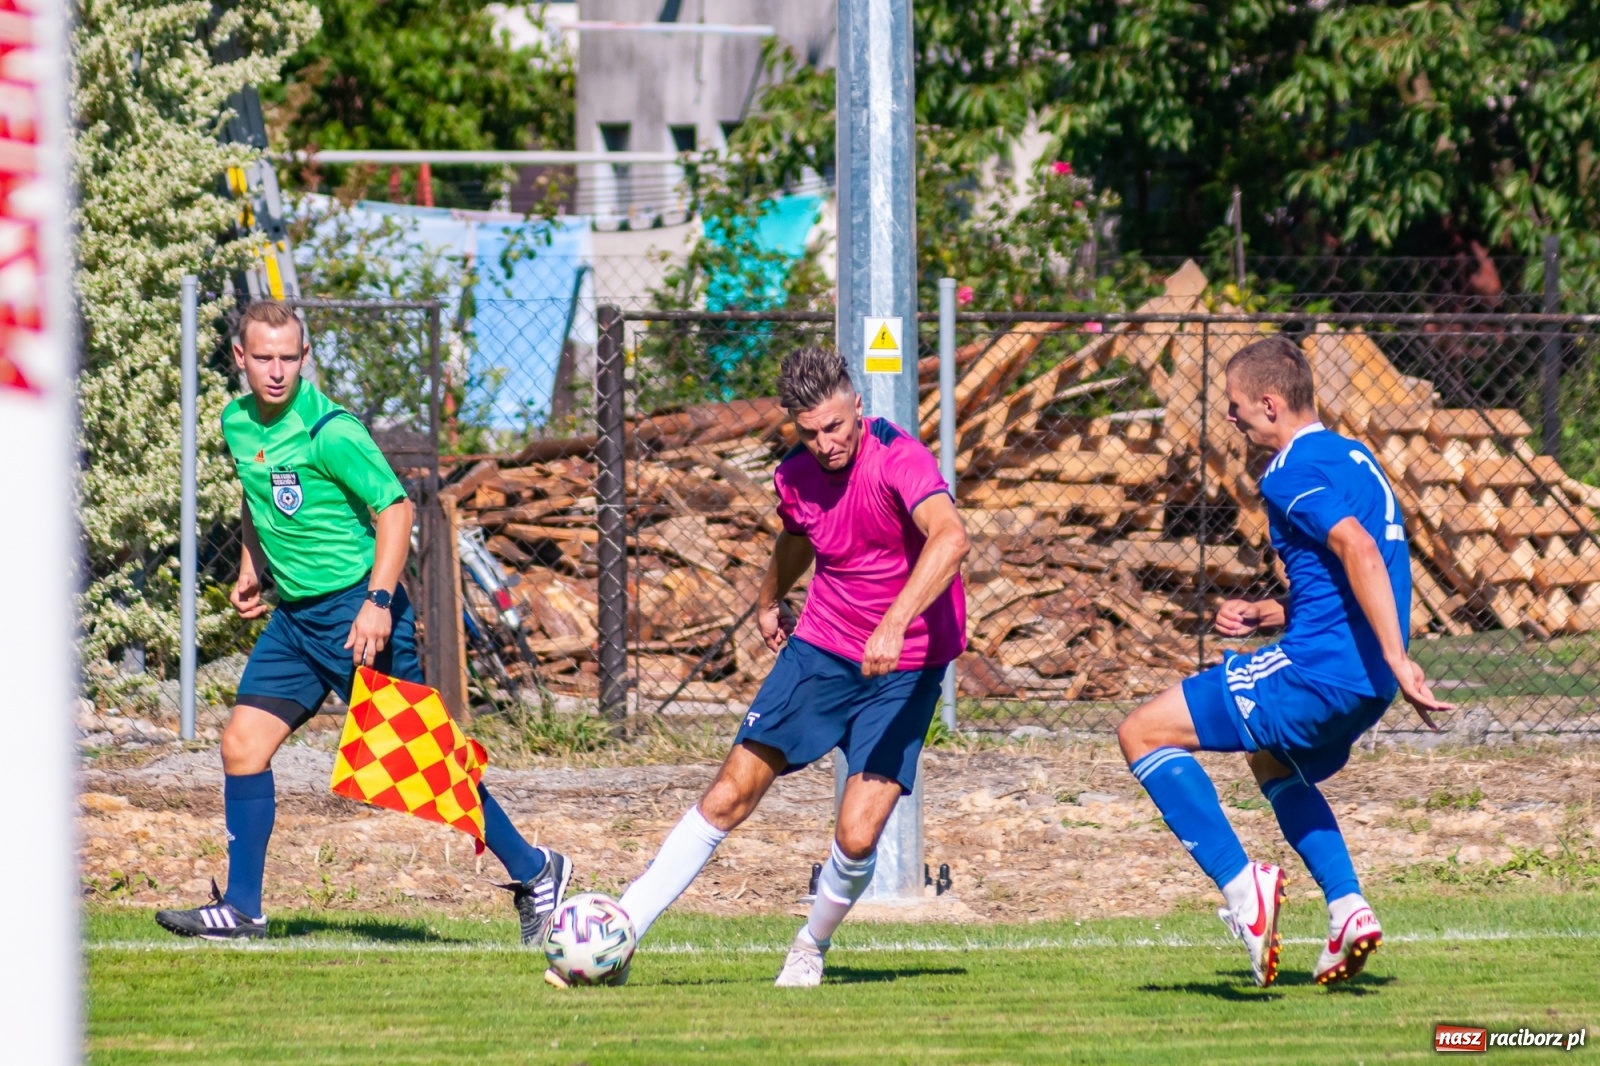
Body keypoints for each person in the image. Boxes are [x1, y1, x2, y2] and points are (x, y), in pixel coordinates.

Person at [154, 300, 571, 944]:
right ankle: (242, 909)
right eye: (262, 357)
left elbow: (397, 510)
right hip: (296, 622)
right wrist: (250, 564)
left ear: (304, 357)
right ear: (239, 357)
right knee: (241, 745)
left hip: (357, 616)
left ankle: (536, 869)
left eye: (287, 358)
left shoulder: (331, 430)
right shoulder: (237, 420)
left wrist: (377, 602)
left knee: (423, 765)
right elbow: (256, 493)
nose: (275, 371)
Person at [564, 346, 969, 989]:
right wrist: (767, 598)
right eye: (810, 433)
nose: (826, 444)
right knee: (729, 793)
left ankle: (811, 944)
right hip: (823, 649)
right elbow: (798, 536)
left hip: (907, 664)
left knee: (858, 836)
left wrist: (894, 623)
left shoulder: (900, 457)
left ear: (857, 406)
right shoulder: (796, 476)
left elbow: (950, 537)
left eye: (835, 426)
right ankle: (621, 931)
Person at [1114, 335, 1452, 988]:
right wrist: (1270, 613)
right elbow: (1348, 575)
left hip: (1318, 673)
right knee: (1271, 761)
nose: (1231, 417)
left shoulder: (1288, 472)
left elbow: (1358, 550)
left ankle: (1245, 892)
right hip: (1363, 682)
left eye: (1236, 405)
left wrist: (1400, 656)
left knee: (1142, 732)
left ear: (1269, 404)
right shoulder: (1355, 457)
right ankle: (1348, 908)